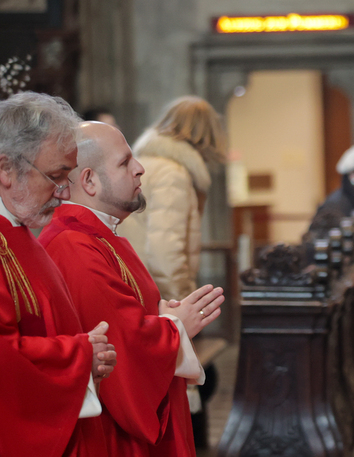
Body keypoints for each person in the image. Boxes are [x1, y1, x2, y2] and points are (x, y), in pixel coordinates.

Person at [40, 121, 226, 457]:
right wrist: (176, 327)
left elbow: (125, 317)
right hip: (113, 437)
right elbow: (120, 347)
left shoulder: (98, 236)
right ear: (89, 181)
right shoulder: (73, 246)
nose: (140, 168)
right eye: (125, 162)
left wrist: (160, 314)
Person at [0, 92, 117, 456]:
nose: (64, 193)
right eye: (55, 176)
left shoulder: (19, 232)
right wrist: (80, 355)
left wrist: (87, 358)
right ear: (5, 169)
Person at [116, 95, 227, 446]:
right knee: (187, 387)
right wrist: (183, 309)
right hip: (160, 294)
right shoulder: (174, 173)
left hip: (135, 285)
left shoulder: (148, 162)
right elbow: (165, 250)